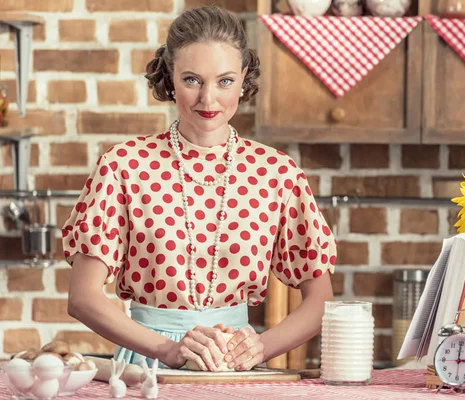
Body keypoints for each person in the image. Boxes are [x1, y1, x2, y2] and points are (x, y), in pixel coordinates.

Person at [62, 6, 337, 372]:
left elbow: (321, 301)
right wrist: (165, 349)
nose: (208, 99)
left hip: (234, 367)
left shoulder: (278, 173)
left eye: (224, 81)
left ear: (243, 79)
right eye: (192, 80)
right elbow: (82, 298)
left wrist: (259, 348)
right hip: (148, 366)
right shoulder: (123, 165)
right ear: (169, 78)